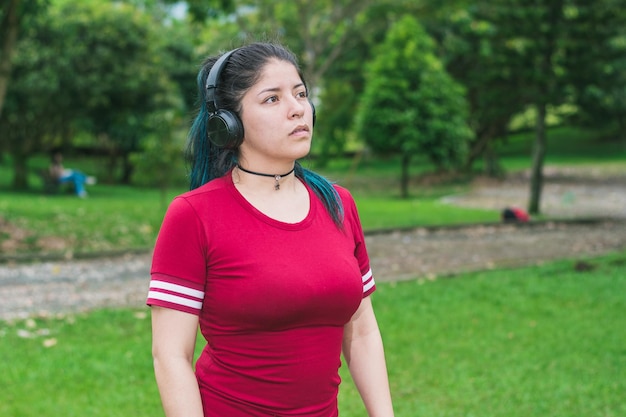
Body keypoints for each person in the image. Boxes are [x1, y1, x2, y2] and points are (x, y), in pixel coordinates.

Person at [147, 42, 394, 417]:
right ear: (227, 122)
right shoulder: (193, 215)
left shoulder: (339, 204)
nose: (298, 109)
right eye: (272, 99)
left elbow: (361, 332)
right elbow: (170, 355)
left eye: (300, 94)